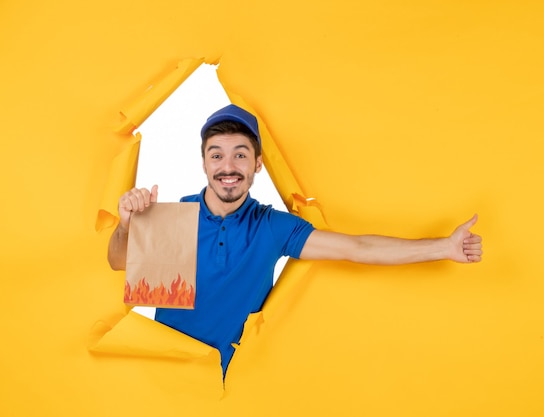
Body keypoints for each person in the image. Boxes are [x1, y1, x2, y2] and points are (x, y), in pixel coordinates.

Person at [108, 104, 483, 376]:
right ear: (204, 162)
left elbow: (357, 248)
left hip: (236, 385)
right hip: (167, 379)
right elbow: (117, 262)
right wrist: (127, 225)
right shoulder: (175, 216)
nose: (228, 167)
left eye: (240, 155)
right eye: (217, 155)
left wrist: (444, 247)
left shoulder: (273, 227)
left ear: (257, 164)